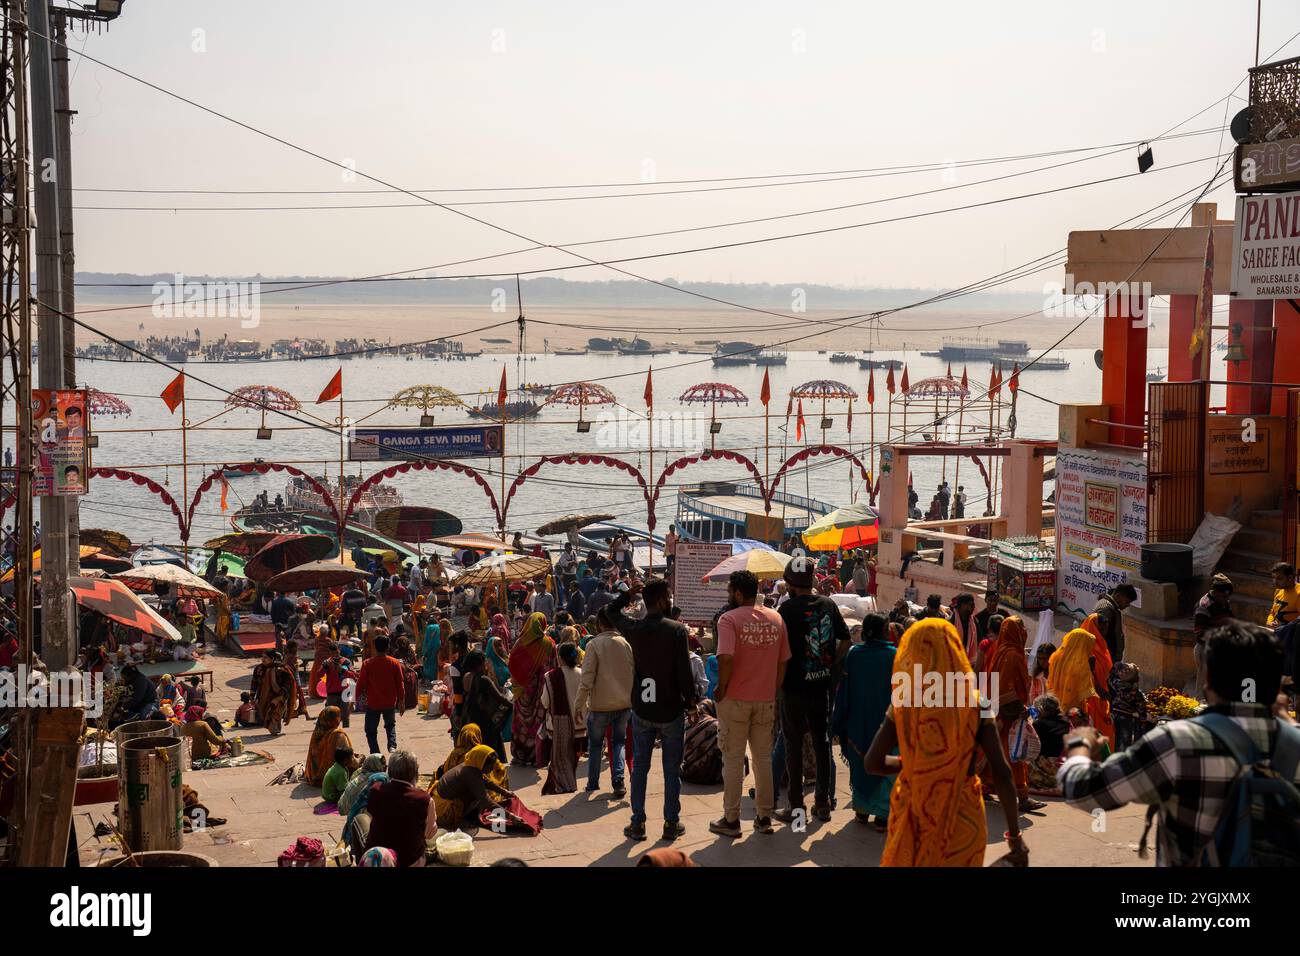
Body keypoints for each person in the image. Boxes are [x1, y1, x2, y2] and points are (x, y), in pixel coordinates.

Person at [1059, 622, 1300, 866]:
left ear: (1208, 680)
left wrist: (1080, 745)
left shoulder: (1179, 743)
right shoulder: (1293, 741)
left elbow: (1087, 791)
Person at [865, 618, 1029, 866]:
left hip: (914, 811)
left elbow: (872, 763)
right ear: (956, 652)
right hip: (964, 819)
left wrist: (914, 764)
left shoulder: (905, 700)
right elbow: (1002, 771)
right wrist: (1015, 836)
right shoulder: (978, 704)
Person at [606, 578, 696, 842]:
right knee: (671, 769)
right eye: (668, 597)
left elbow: (611, 613)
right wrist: (691, 704)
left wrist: (626, 596)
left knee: (641, 767)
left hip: (643, 709)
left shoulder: (635, 628)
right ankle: (671, 822)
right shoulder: (677, 630)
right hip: (670, 710)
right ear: (659, 601)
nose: (670, 601)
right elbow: (684, 673)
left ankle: (637, 823)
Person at [709, 570, 789, 838]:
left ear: (738, 593)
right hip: (765, 699)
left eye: (729, 590)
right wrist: (772, 690)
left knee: (732, 759)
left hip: (735, 700)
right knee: (763, 759)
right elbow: (782, 662)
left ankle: (731, 820)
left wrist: (721, 687)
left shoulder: (728, 619)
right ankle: (764, 817)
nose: (727, 595)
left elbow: (726, 658)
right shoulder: (776, 618)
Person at [775, 560, 849, 824]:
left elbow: (779, 652)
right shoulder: (828, 605)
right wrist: (830, 665)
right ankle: (823, 803)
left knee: (793, 745)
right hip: (821, 686)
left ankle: (796, 808)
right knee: (822, 744)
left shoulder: (786, 609)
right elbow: (846, 640)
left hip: (793, 688)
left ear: (792, 584)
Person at [831, 613, 896, 829]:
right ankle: (882, 815)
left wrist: (840, 718)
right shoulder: (894, 655)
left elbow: (844, 690)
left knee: (860, 763)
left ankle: (861, 810)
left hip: (858, 720)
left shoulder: (854, 654)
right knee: (885, 762)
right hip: (885, 721)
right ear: (884, 631)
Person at [985, 615, 1046, 812]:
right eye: (1021, 628)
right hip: (1009, 714)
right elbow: (1006, 689)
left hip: (999, 713)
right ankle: (1023, 798)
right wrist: (1021, 710)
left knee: (997, 753)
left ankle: (986, 787)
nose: (1025, 633)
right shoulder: (1012, 655)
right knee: (1016, 755)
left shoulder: (1001, 651)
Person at [574, 605, 635, 798]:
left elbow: (587, 678)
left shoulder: (594, 645)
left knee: (595, 745)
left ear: (599, 624)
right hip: (624, 704)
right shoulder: (625, 643)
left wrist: (578, 704)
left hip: (600, 706)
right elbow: (634, 673)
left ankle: (592, 783)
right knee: (618, 743)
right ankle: (618, 781)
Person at [363, 750, 436, 867]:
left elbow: (374, 815)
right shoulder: (424, 799)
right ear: (415, 773)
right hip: (410, 861)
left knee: (361, 819)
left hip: (377, 860)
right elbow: (429, 834)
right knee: (438, 834)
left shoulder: (375, 790)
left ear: (390, 771)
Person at [1049, 628, 1115, 746]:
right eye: (1088, 646)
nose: (1090, 650)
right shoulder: (1081, 664)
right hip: (1074, 712)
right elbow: (1089, 692)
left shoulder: (1056, 657)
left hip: (1054, 705)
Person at [507, 612, 557, 766]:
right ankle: (537, 756)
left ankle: (519, 755)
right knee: (538, 722)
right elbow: (554, 668)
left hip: (522, 692)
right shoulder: (549, 644)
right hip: (541, 691)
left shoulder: (520, 643)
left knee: (521, 721)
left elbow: (511, 665)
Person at [431, 745, 516, 830]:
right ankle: (459, 818)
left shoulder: (471, 765)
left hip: (441, 797)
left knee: (480, 790)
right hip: (443, 811)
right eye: (490, 766)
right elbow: (486, 801)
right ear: (482, 763)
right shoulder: (471, 774)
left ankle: (467, 813)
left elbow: (486, 782)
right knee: (479, 795)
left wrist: (505, 792)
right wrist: (510, 816)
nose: (491, 769)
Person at [541, 643, 583, 794]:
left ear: (560, 657)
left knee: (560, 757)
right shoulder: (582, 673)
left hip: (559, 723)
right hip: (580, 724)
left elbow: (545, 701)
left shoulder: (551, 676)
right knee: (573, 756)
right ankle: (568, 782)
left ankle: (566, 785)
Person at [356, 635, 406, 754]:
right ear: (388, 647)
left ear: (375, 647)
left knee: (370, 730)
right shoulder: (394, 663)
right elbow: (400, 683)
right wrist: (402, 701)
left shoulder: (367, 663)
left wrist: (354, 700)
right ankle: (392, 745)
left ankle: (375, 752)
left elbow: (360, 684)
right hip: (389, 701)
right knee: (390, 725)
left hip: (373, 702)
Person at [461, 650, 511, 761]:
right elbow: (500, 698)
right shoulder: (484, 679)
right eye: (484, 663)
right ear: (479, 664)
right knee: (490, 749)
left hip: (472, 717)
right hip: (485, 720)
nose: (486, 666)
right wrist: (513, 704)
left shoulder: (467, 677)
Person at [305, 706, 353, 786]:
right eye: (339, 716)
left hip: (314, 774)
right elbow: (349, 758)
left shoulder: (317, 733)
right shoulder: (337, 735)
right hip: (332, 776)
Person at [1089, 583, 1135, 662]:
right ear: (1118, 596)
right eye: (1127, 602)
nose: (1127, 605)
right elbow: (1097, 636)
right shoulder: (1106, 609)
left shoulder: (1113, 607)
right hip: (1105, 659)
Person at [339, 753, 387, 818]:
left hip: (346, 808)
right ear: (375, 765)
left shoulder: (360, 773)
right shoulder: (375, 779)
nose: (385, 766)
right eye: (383, 763)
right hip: (356, 814)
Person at [1268, 562, 1300, 627]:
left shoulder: (1298, 594)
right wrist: (1270, 622)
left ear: (1290, 578)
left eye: (1279, 578)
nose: (1275, 582)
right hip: (1277, 632)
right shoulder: (1278, 590)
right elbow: (1272, 613)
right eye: (1273, 578)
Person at [420, 617, 442, 684]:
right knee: (435, 662)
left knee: (429, 662)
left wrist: (424, 652)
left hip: (430, 648)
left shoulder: (429, 628)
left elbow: (427, 641)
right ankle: (436, 678)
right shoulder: (438, 627)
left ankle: (430, 679)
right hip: (438, 646)